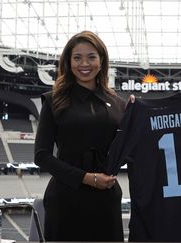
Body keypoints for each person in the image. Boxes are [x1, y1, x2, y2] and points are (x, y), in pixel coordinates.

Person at [34, 30, 125, 241]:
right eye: (77, 57)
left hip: (106, 199)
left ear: (102, 61)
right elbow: (41, 155)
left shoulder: (119, 104)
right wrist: (88, 179)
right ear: (68, 62)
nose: (85, 63)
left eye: (92, 56)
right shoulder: (54, 100)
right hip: (66, 199)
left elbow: (129, 148)